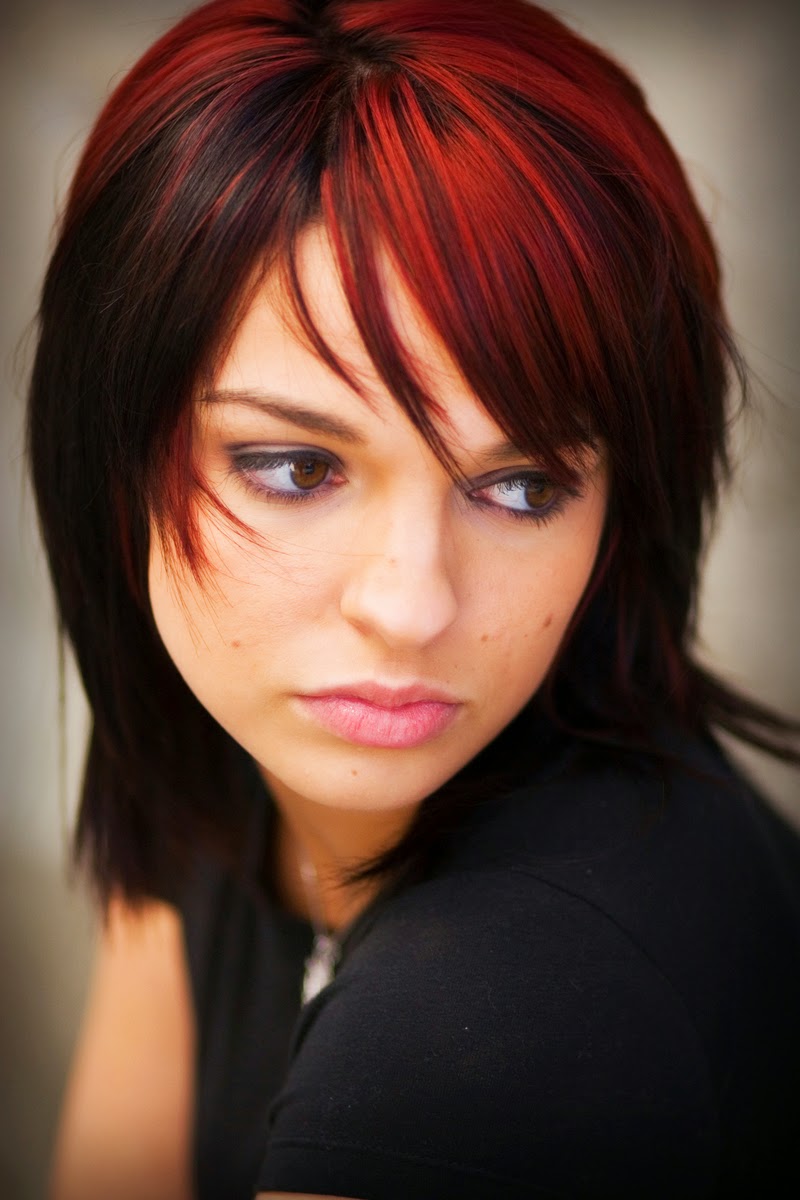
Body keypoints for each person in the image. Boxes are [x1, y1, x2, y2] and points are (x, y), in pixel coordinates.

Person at [26, 0, 800, 1197]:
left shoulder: (506, 1016)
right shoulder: (211, 741)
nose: (409, 607)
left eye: (520, 485)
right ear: (107, 449)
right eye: (297, 468)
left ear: (625, 505)